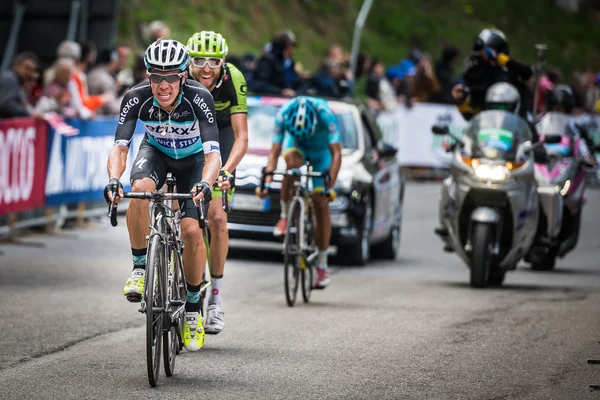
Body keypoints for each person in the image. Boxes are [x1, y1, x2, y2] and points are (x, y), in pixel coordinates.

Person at [103, 38, 221, 352]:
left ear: (184, 76)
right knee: (140, 191)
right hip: (156, 152)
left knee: (191, 228)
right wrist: (114, 179)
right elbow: (120, 147)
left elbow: (213, 155)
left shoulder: (200, 98)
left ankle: (194, 309)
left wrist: (206, 183)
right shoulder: (136, 97)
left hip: (194, 162)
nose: (163, 85)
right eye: (156, 76)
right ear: (148, 75)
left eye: (170, 77)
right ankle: (140, 268)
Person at [186, 30, 249, 334]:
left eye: (214, 60)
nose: (206, 67)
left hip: (221, 139)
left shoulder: (233, 80)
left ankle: (215, 299)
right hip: (189, 139)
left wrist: (226, 170)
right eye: (199, 60)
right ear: (189, 61)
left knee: (217, 218)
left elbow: (242, 136)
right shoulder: (178, 79)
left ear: (223, 62)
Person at [256, 96, 342, 288]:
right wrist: (267, 183)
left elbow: (336, 153)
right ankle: (285, 216)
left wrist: (330, 188)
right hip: (296, 145)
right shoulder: (283, 114)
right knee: (291, 168)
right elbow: (274, 152)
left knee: (320, 203)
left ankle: (322, 262)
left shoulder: (326, 115)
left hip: (321, 153)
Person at [435, 82, 528, 249]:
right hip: (482, 165)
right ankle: (448, 225)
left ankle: (530, 230)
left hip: (507, 170)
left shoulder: (521, 126)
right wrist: (459, 146)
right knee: (449, 182)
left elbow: (529, 144)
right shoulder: (479, 123)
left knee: (539, 188)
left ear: (514, 107)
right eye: (495, 106)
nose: (500, 110)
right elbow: (468, 140)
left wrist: (535, 150)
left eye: (505, 106)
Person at [451, 29, 534, 123]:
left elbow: (528, 73)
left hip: (516, 123)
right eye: (483, 50)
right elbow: (472, 117)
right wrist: (461, 102)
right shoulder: (478, 74)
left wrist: (501, 59)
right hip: (490, 127)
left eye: (489, 49)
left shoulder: (510, 69)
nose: (484, 53)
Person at [253, 30, 305, 96]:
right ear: (286, 46)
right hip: (269, 102)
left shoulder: (290, 64)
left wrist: (295, 93)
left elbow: (301, 85)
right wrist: (281, 92)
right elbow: (259, 85)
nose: (294, 48)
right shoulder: (267, 61)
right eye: (293, 45)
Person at [0, 51, 42, 118]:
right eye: (27, 68)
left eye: (32, 70)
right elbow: (6, 104)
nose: (29, 73)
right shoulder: (9, 78)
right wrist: (29, 114)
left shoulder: (18, 82)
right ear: (16, 66)